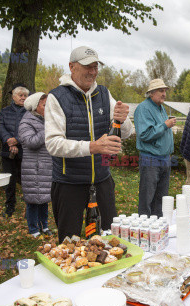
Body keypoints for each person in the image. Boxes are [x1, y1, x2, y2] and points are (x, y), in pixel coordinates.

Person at [45, 46, 133, 242]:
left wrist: (123, 119)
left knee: (110, 240)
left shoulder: (103, 93)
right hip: (69, 183)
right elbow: (52, 144)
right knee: (70, 243)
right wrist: (92, 147)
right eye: (87, 66)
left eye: (95, 66)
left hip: (102, 180)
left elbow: (127, 133)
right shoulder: (56, 97)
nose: (92, 72)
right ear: (72, 67)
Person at [134, 79, 175, 217]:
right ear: (151, 93)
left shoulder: (161, 107)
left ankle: (158, 227)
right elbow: (144, 134)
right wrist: (165, 125)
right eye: (161, 91)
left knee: (161, 198)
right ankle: (144, 227)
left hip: (164, 159)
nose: (164, 94)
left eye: (165, 91)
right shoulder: (143, 108)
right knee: (147, 198)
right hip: (151, 159)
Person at [18, 92, 53, 238]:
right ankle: (33, 228)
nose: (48, 108)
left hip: (46, 166)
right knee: (33, 199)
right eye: (45, 105)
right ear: (34, 106)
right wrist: (47, 129)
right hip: (34, 167)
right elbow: (31, 142)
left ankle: (44, 226)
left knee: (44, 198)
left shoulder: (45, 120)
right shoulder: (26, 122)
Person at [0, 84, 28, 217]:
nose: (23, 98)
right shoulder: (5, 111)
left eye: (25, 95)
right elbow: (0, 126)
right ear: (13, 96)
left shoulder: (30, 112)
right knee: (9, 179)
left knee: (26, 179)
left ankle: (29, 206)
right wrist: (8, 140)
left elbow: (30, 129)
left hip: (24, 151)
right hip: (7, 150)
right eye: (20, 95)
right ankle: (9, 205)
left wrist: (17, 140)